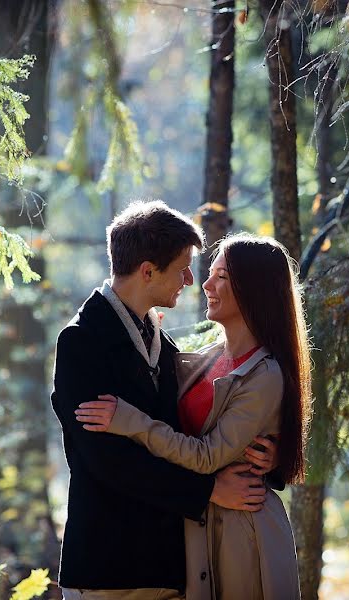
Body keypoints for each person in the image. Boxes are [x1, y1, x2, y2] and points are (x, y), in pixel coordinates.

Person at [51, 202, 279, 600]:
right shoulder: (81, 341)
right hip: (109, 567)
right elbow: (106, 460)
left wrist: (269, 456)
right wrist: (205, 491)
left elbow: (204, 422)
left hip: (171, 566)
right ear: (147, 271)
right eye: (182, 268)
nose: (191, 280)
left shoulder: (161, 342)